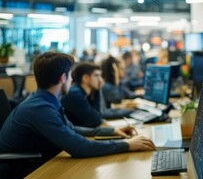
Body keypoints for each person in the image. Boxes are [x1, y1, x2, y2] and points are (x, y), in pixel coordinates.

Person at [0, 52, 155, 178]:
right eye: (70, 75)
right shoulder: (40, 108)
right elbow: (79, 147)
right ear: (62, 78)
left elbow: (71, 129)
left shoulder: (45, 100)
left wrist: (112, 131)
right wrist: (128, 145)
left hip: (37, 163)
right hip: (22, 171)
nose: (72, 79)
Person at [61, 62, 104, 127]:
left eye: (100, 76)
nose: (100, 80)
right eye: (96, 76)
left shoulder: (82, 92)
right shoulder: (75, 95)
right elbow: (95, 120)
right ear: (85, 78)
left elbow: (97, 115)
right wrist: (98, 90)